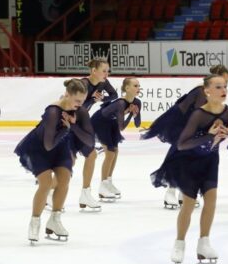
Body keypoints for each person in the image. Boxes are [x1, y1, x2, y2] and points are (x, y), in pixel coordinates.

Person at [151, 74, 228, 264]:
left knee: (211, 200)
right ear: (207, 91)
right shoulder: (198, 115)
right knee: (189, 203)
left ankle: (204, 243)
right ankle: (179, 243)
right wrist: (208, 136)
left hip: (211, 161)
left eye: (225, 87)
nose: (223, 90)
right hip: (189, 161)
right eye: (218, 87)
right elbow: (183, 143)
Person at [15, 79, 95, 243]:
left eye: (82, 101)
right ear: (67, 95)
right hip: (40, 148)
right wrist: (66, 128)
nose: (80, 104)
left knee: (65, 179)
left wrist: (73, 127)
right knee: (45, 183)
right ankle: (35, 222)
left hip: (61, 145)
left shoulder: (80, 112)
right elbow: (48, 144)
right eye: (77, 100)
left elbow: (90, 141)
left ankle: (54, 220)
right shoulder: (53, 111)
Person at [142, 64, 228, 209]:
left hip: (189, 123)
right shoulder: (202, 91)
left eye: (227, 83)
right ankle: (170, 190)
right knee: (179, 153)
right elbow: (197, 113)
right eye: (224, 82)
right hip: (179, 122)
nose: (225, 87)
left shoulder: (213, 93)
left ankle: (182, 192)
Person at [74, 58, 117, 209]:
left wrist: (102, 98)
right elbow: (76, 105)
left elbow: (114, 95)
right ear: (94, 71)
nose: (107, 73)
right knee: (69, 162)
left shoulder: (102, 83)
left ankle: (85, 194)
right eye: (104, 70)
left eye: (108, 70)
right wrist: (92, 99)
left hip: (81, 123)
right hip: (70, 123)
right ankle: (50, 192)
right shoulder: (83, 84)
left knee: (91, 155)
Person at [90, 77, 142, 200]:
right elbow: (122, 127)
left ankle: (108, 182)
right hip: (100, 122)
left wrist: (134, 114)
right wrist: (129, 115)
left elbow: (138, 124)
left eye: (139, 86)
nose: (138, 88)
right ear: (127, 88)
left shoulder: (137, 102)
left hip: (111, 123)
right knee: (110, 153)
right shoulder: (121, 103)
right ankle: (102, 187)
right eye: (135, 86)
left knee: (115, 152)